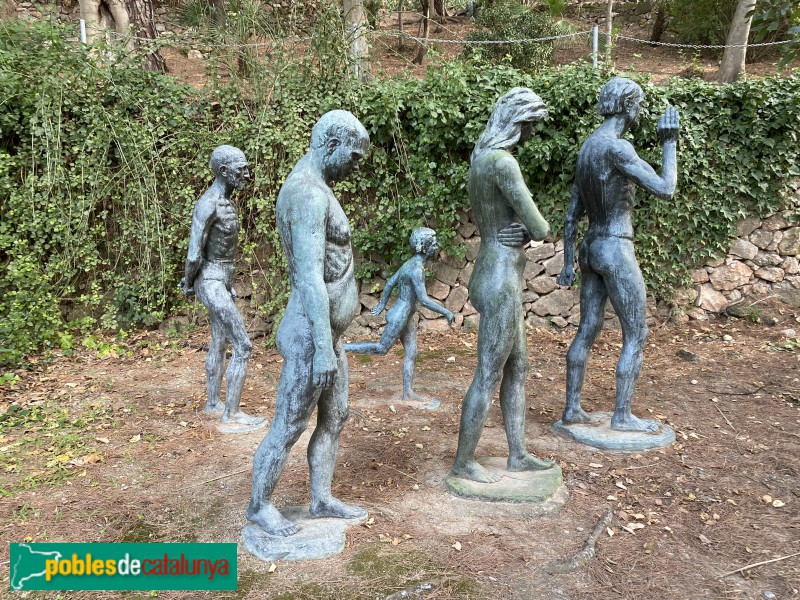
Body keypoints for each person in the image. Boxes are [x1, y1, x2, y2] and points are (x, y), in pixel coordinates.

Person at [247, 110, 370, 537]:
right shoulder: (307, 194)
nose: (356, 167)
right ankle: (260, 506)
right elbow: (309, 276)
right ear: (330, 144)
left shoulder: (319, 188)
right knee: (290, 423)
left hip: (328, 333)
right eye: (353, 157)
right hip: (310, 333)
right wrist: (321, 344)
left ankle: (321, 498)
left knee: (335, 417)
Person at [556, 77, 679, 432]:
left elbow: (570, 214)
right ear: (627, 105)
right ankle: (622, 416)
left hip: (591, 247)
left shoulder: (587, 147)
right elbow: (666, 188)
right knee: (635, 334)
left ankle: (572, 409)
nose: (641, 110)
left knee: (586, 330)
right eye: (638, 103)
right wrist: (669, 144)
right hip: (615, 244)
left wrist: (568, 262)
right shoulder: (617, 148)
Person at [451, 88, 555, 484]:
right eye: (531, 126)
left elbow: (507, 225)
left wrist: (522, 235)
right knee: (489, 374)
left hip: (492, 269)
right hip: (501, 279)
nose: (532, 135)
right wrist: (532, 233)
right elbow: (540, 225)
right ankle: (463, 462)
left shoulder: (479, 161)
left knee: (519, 367)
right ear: (518, 122)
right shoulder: (503, 163)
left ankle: (518, 454)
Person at [181, 145, 265, 429]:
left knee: (219, 342)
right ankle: (231, 415)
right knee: (243, 345)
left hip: (221, 279)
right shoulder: (209, 203)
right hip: (211, 280)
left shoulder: (226, 201)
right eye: (241, 169)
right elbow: (194, 253)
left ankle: (213, 403)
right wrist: (189, 281)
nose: (247, 174)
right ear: (225, 171)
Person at [345, 227, 454, 407]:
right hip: (400, 315)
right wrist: (446, 312)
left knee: (412, 352)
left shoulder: (409, 263)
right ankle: (342, 348)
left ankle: (408, 393)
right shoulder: (416, 269)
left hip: (405, 314)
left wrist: (382, 304)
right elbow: (424, 300)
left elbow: (389, 283)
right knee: (381, 348)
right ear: (424, 248)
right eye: (432, 243)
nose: (436, 246)